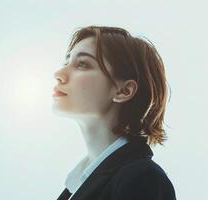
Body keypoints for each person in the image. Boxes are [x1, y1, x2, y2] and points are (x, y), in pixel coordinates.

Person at [52, 25, 176, 200]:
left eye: (82, 64)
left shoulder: (142, 179)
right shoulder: (78, 184)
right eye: (67, 62)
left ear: (123, 91)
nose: (59, 73)